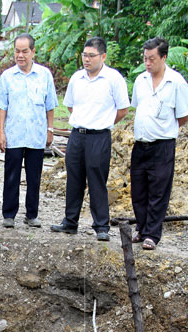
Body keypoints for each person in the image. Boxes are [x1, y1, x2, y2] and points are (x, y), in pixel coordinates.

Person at [50, 37, 130, 241]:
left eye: (91, 56)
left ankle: (101, 225)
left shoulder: (113, 78)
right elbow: (69, 105)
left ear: (103, 56)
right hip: (77, 135)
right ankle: (70, 222)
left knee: (97, 181)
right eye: (84, 55)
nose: (87, 59)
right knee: (74, 179)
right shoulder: (77, 78)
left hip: (99, 136)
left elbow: (123, 110)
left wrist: (103, 121)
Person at [130, 37, 188, 250]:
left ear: (163, 57)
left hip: (162, 145)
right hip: (141, 143)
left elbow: (182, 116)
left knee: (158, 190)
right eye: (145, 58)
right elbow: (138, 109)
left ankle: (152, 235)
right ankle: (141, 228)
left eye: (152, 59)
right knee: (139, 190)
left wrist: (165, 129)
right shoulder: (140, 81)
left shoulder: (176, 82)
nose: (147, 63)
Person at [0, 33, 57, 228]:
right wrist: (1, 132)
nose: (20, 55)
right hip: (14, 134)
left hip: (36, 134)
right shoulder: (7, 76)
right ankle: (9, 214)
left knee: (34, 177)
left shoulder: (44, 75)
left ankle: (32, 214)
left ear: (33, 52)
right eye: (17, 51)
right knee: (11, 176)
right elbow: (2, 107)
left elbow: (50, 105)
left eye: (24, 51)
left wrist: (50, 129)